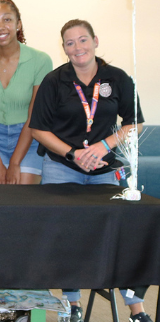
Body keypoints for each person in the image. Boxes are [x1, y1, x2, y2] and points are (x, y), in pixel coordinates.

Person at [30, 19, 149, 322]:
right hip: (61, 169)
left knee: (119, 235)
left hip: (106, 170)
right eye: (70, 43)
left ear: (96, 41)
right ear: (64, 49)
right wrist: (73, 153)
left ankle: (135, 308)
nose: (77, 47)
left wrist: (103, 146)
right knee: (67, 235)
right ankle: (72, 303)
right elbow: (38, 130)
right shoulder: (54, 81)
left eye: (83, 40)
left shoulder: (117, 78)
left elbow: (135, 123)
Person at [0, 0, 52, 185]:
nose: (0, 27)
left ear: (18, 24)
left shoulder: (40, 60)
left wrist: (15, 163)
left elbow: (35, 116)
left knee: (22, 200)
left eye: (7, 19)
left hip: (29, 137)